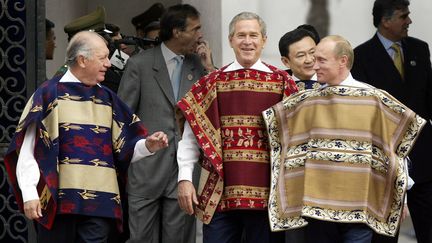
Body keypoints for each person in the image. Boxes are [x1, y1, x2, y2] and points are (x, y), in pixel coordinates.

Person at [3, 31, 168, 243]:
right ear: (82, 60)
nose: (108, 64)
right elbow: (29, 150)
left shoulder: (108, 98)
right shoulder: (48, 94)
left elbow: (124, 149)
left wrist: (147, 146)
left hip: (100, 205)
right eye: (102, 58)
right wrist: (30, 193)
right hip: (58, 205)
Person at [263, 35, 425, 243]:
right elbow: (283, 143)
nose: (315, 65)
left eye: (322, 60)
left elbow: (396, 148)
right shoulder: (305, 102)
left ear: (343, 61)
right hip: (317, 211)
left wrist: (400, 193)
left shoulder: (374, 99)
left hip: (360, 210)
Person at [176, 11, 298, 243]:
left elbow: (298, 141)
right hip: (220, 195)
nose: (247, 41)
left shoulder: (283, 83)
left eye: (254, 35)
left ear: (264, 40)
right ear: (231, 40)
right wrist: (184, 178)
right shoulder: (212, 82)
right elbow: (190, 138)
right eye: (241, 35)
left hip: (269, 199)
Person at [117, 4, 211, 243]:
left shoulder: (197, 65)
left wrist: (209, 67)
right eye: (195, 29)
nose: (200, 34)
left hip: (183, 174)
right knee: (140, 239)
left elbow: (213, 107)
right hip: (146, 170)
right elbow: (122, 118)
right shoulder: (140, 64)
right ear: (177, 32)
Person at [351, 1, 432, 242]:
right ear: (386, 21)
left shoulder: (419, 48)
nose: (409, 21)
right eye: (403, 16)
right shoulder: (361, 55)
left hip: (423, 156)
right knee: (386, 234)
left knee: (428, 228)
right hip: (386, 159)